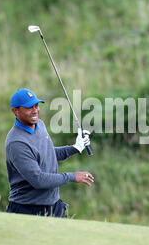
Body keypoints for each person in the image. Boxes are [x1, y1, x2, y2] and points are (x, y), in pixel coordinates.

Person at [5, 88, 94, 218]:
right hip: (27, 210)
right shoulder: (17, 142)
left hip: (53, 205)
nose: (35, 110)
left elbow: (47, 154)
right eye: (29, 107)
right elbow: (38, 180)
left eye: (36, 106)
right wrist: (72, 176)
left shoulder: (39, 125)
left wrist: (75, 148)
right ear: (15, 111)